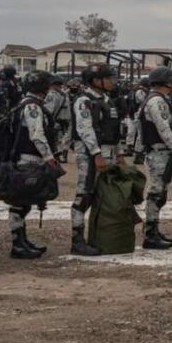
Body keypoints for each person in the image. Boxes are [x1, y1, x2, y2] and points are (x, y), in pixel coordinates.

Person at [69, 64, 123, 256]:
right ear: (95, 80)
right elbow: (85, 129)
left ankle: (97, 236)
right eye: (108, 78)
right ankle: (77, 239)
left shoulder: (106, 99)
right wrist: (96, 154)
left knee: (101, 194)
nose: (112, 81)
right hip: (90, 154)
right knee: (85, 194)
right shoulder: (84, 100)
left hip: (106, 151)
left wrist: (119, 153)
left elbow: (114, 129)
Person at [7, 71, 61, 259]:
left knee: (25, 202)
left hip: (27, 157)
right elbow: (36, 134)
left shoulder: (27, 103)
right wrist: (48, 157)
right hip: (28, 158)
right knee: (20, 203)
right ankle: (17, 244)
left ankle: (22, 241)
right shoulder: (32, 106)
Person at [140, 67, 172, 250]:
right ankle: (150, 234)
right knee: (156, 194)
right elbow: (163, 127)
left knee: (160, 193)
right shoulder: (157, 101)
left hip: (160, 151)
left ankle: (153, 230)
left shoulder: (155, 99)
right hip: (159, 151)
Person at [44, 74, 72, 162]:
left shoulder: (53, 95)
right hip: (62, 120)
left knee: (59, 140)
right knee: (62, 139)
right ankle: (61, 156)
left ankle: (59, 156)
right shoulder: (62, 95)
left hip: (58, 120)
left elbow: (48, 110)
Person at [125, 76, 150, 163]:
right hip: (138, 115)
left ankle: (138, 154)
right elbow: (145, 102)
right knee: (140, 135)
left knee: (139, 135)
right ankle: (138, 155)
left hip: (138, 115)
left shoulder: (141, 91)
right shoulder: (140, 92)